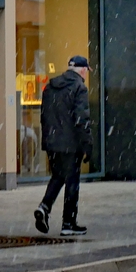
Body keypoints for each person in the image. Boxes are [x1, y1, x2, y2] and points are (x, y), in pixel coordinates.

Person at [34, 56, 93, 236]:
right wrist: (87, 145)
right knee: (72, 181)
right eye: (86, 71)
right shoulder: (79, 88)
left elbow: (44, 116)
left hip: (52, 143)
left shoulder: (50, 87)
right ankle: (68, 223)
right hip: (71, 144)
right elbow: (82, 120)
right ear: (82, 70)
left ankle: (44, 207)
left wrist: (48, 140)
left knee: (58, 176)